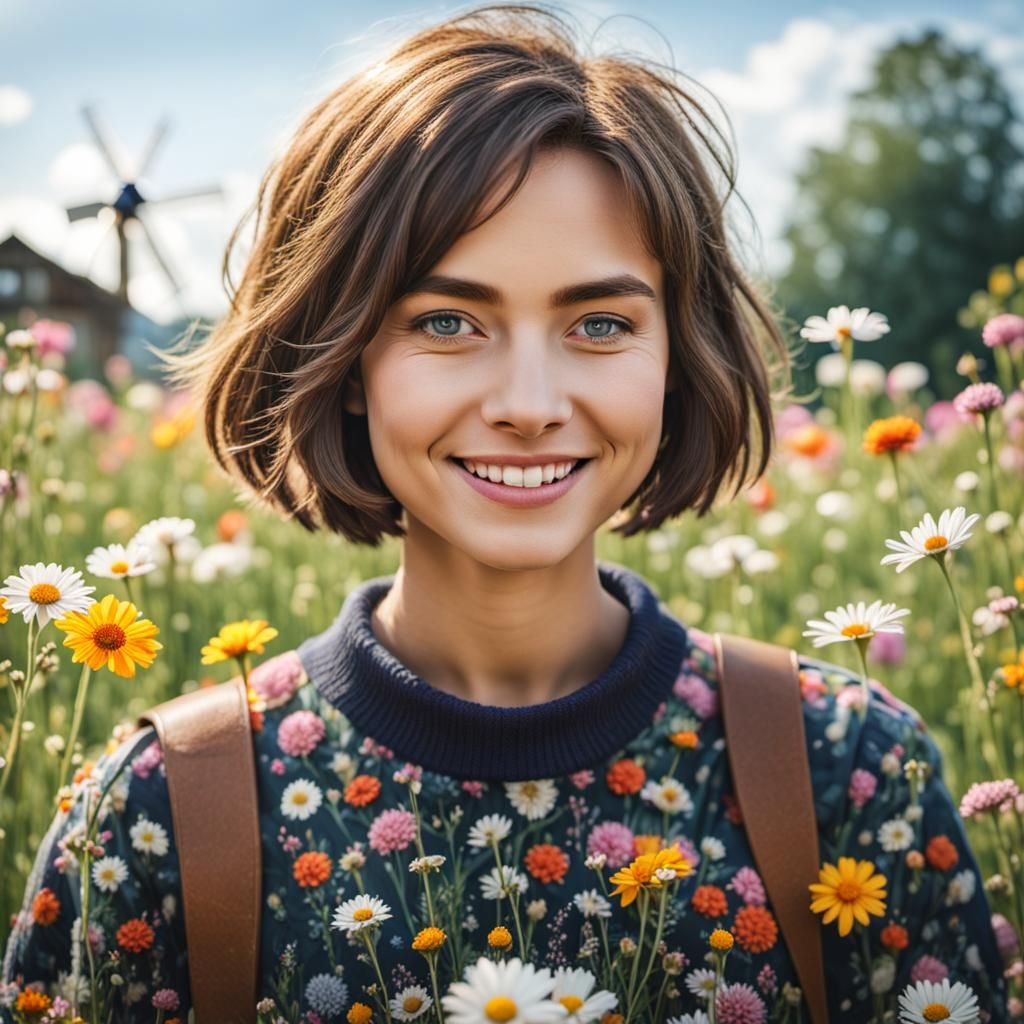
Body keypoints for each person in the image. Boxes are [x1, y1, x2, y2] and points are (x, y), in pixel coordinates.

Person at [1, 5, 1010, 1022]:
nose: (529, 404)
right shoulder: (159, 812)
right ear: (344, 358)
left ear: (676, 356)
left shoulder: (849, 772)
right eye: (448, 321)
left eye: (600, 323)